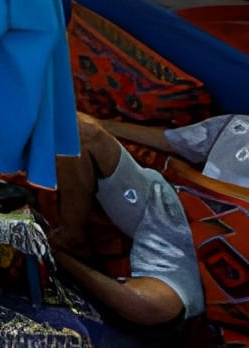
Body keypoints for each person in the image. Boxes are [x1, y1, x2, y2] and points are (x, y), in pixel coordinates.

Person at [52, 111, 208, 328]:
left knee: (148, 305)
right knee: (78, 129)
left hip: (204, 254)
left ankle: (58, 256)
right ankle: (69, 237)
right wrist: (101, 123)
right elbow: (171, 140)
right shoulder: (243, 126)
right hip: (168, 201)